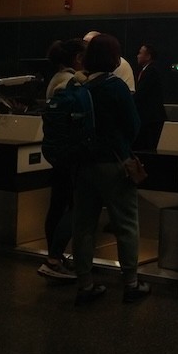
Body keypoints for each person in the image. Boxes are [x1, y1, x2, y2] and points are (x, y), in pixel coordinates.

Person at [70, 33, 150, 305]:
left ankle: (84, 284)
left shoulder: (79, 86)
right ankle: (130, 282)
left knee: (83, 225)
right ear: (112, 58)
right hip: (114, 163)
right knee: (126, 223)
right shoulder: (115, 86)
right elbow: (134, 125)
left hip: (83, 164)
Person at [38, 38, 84, 281]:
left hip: (55, 151)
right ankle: (54, 259)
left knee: (57, 203)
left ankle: (53, 256)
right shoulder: (72, 82)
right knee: (74, 207)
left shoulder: (55, 79)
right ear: (77, 58)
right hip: (70, 153)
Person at [133, 43, 167, 150]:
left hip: (150, 119)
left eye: (140, 53)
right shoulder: (148, 70)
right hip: (151, 118)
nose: (138, 56)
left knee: (149, 147)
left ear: (148, 56)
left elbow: (141, 93)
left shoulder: (151, 71)